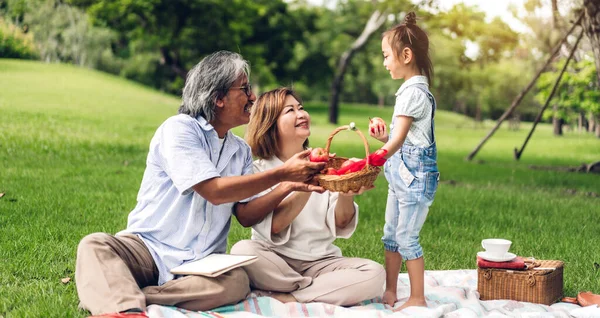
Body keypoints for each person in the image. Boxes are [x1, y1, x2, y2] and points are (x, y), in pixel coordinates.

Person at [74, 51, 326, 318]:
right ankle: (126, 309)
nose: (253, 97)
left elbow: (245, 215)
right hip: (148, 249)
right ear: (218, 98)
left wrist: (290, 185)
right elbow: (214, 191)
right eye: (245, 89)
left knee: (237, 281)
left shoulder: (239, 150)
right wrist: (283, 174)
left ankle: (130, 295)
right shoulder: (179, 130)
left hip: (202, 265)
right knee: (95, 245)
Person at [230, 87, 385, 306]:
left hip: (322, 264)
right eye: (290, 110)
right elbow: (275, 226)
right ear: (270, 124)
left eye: (301, 108)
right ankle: (319, 290)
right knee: (241, 250)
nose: (302, 114)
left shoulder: (327, 167)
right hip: (275, 260)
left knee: (375, 273)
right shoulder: (260, 171)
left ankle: (291, 295)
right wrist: (304, 183)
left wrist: (346, 194)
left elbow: (341, 222)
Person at [368, 12, 440, 310]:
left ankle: (418, 298)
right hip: (401, 177)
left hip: (414, 180)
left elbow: (398, 143)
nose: (385, 62)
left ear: (406, 55)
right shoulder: (410, 91)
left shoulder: (413, 93)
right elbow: (400, 140)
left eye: (387, 56)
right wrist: (385, 139)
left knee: (407, 238)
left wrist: (377, 155)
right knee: (391, 235)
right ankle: (390, 290)